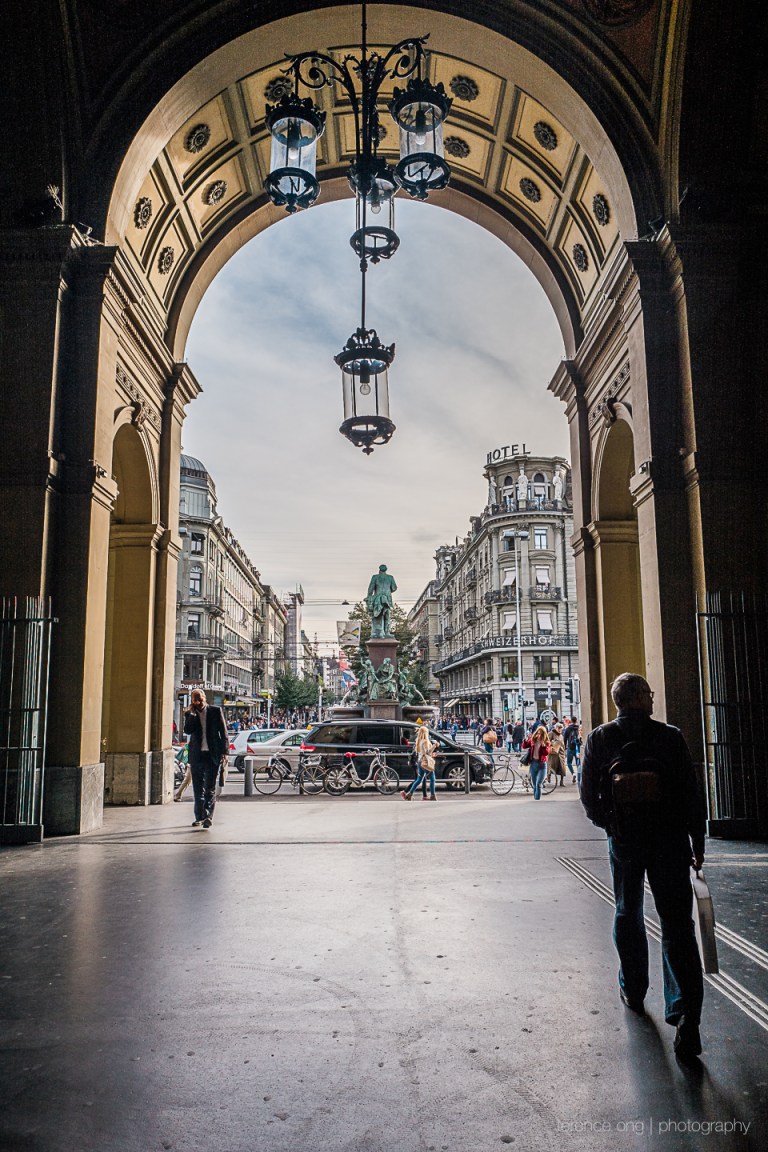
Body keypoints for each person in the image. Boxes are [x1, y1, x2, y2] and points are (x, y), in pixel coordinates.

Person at [579, 673, 706, 1060]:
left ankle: (633, 988)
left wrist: (613, 825)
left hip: (626, 841)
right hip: (669, 841)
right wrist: (696, 838)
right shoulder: (670, 736)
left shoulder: (600, 739)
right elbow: (690, 791)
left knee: (627, 910)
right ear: (644, 700)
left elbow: (589, 798)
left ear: (619, 702)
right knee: (677, 924)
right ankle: (685, 1013)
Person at [183, 688, 228, 829]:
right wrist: (191, 714)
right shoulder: (191, 713)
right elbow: (188, 730)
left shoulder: (215, 711)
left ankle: (208, 816)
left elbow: (223, 731)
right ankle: (199, 817)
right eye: (195, 699)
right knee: (197, 788)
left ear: (204, 697)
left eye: (199, 698)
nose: (198, 701)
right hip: (197, 755)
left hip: (212, 754)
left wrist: (225, 752)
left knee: (209, 788)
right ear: (193, 700)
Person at [401, 720, 437, 801]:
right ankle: (432, 795)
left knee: (419, 780)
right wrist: (435, 745)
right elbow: (427, 752)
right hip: (425, 763)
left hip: (420, 762)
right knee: (432, 779)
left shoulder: (419, 741)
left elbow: (422, 753)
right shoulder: (425, 742)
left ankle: (409, 794)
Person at [522, 725, 550, 799]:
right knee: (534, 785)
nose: (539, 735)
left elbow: (546, 753)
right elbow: (524, 746)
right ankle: (535, 800)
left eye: (541, 733)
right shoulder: (532, 741)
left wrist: (544, 746)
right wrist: (525, 740)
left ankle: (537, 801)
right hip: (533, 764)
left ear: (544, 734)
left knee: (538, 784)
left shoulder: (546, 742)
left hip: (542, 765)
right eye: (538, 733)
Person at [563, 716, 580, 783]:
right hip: (577, 748)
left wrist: (565, 747)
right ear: (576, 721)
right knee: (578, 763)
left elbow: (565, 738)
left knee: (569, 763)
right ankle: (579, 776)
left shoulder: (568, 729)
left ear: (571, 721)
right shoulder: (578, 728)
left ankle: (573, 773)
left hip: (570, 747)